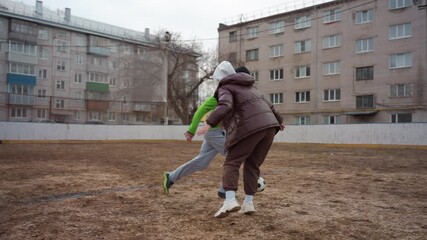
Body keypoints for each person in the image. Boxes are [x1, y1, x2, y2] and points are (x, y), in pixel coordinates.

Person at [197, 61, 285, 218]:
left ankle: (230, 200)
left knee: (232, 162)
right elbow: (270, 106)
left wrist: (210, 122)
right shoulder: (251, 87)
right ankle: (248, 203)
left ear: (218, 78)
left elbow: (225, 104)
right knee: (252, 164)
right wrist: (280, 121)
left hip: (250, 127)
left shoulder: (226, 86)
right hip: (270, 128)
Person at [163, 65, 251, 198]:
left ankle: (171, 177)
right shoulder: (218, 97)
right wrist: (192, 130)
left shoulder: (235, 95)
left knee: (201, 162)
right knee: (235, 155)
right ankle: (224, 190)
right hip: (213, 133)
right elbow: (199, 111)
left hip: (218, 133)